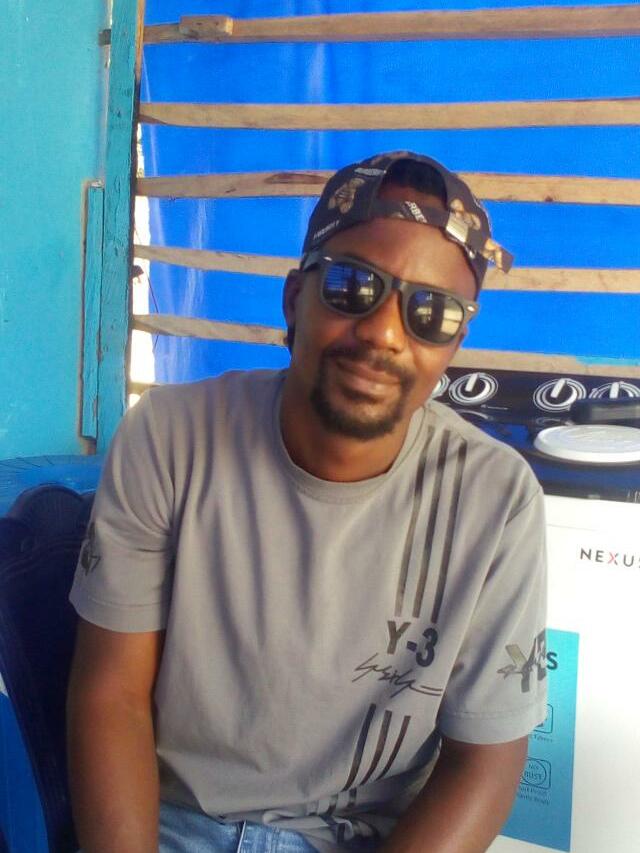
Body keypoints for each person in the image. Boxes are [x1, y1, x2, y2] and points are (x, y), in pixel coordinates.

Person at [67, 151, 547, 853]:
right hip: (171, 822)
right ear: (295, 298)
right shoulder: (169, 437)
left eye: (430, 313)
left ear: (454, 343)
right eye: (354, 286)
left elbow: (485, 760)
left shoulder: (496, 500)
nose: (384, 333)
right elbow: (110, 695)